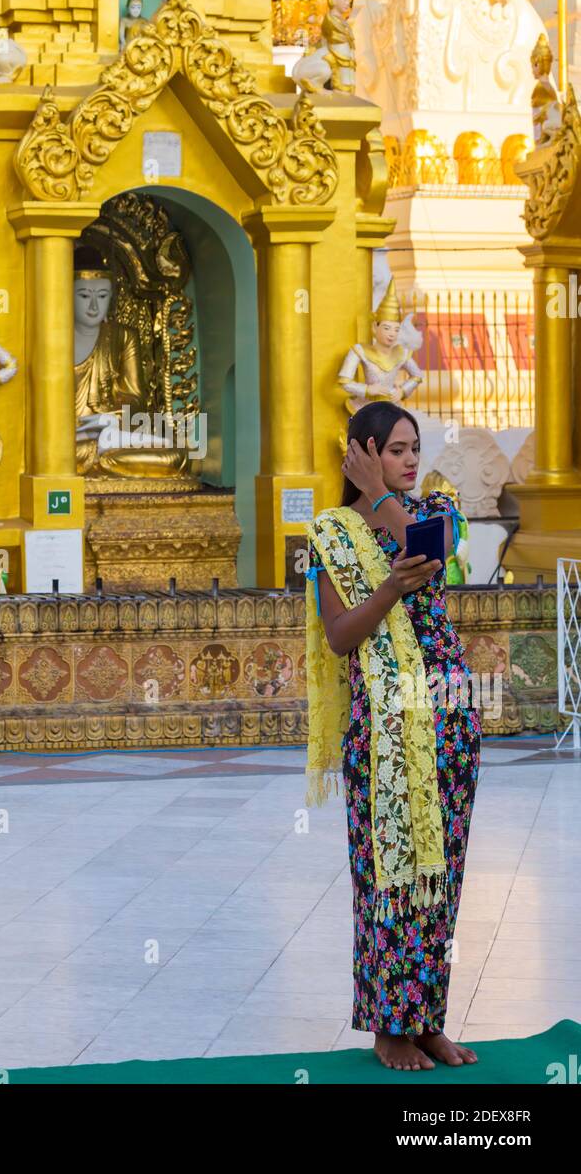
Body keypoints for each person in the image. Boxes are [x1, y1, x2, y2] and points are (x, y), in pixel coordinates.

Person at [305, 401, 480, 1072]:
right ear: (362, 451)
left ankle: (428, 1019)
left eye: (415, 448)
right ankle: (388, 1027)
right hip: (380, 726)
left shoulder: (436, 510)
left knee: (442, 872)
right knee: (387, 876)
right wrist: (383, 592)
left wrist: (383, 496)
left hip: (449, 718)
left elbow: (430, 555)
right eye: (398, 449)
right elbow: (341, 635)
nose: (412, 459)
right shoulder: (330, 533)